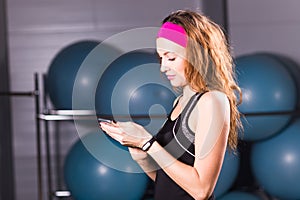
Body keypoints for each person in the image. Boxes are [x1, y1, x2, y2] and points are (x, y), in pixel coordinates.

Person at [100, 9, 242, 200]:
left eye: (171, 57)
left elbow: (201, 190)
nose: (163, 67)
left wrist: (147, 142)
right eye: (161, 58)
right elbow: (169, 181)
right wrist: (140, 152)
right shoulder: (180, 101)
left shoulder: (212, 101)